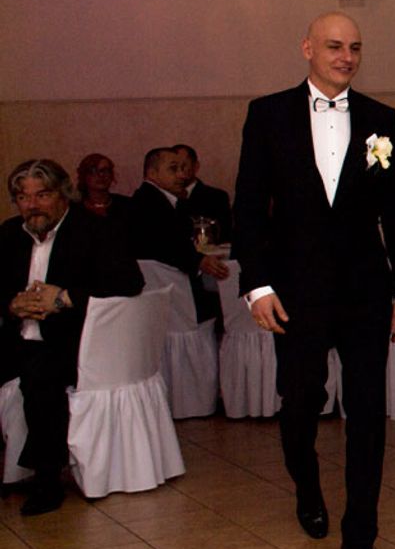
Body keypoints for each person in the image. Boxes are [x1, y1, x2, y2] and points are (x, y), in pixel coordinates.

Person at [233, 11, 395, 549]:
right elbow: (248, 207)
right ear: (307, 48)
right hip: (295, 292)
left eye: (355, 48)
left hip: (365, 291)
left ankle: (360, 537)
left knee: (368, 413)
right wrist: (257, 285)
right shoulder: (267, 115)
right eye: (335, 46)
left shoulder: (380, 119)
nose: (346, 57)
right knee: (299, 403)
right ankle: (307, 488)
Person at [0, 159, 143, 515]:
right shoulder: (9, 234)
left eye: (42, 195)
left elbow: (130, 281)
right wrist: (12, 304)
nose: (32, 205)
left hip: (73, 341)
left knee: (39, 378)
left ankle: (46, 479)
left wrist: (64, 298)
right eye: (23, 197)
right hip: (17, 336)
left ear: (63, 194)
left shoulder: (95, 230)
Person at [129, 146, 228, 322]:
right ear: (152, 173)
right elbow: (165, 243)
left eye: (182, 168)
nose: (182, 175)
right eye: (173, 169)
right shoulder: (149, 203)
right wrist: (199, 261)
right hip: (171, 294)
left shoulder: (160, 200)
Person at [176, 144, 233, 243]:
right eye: (174, 167)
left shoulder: (216, 197)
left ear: (196, 166)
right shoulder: (162, 197)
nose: (179, 171)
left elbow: (224, 235)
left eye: (183, 165)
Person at [75, 154, 132, 226]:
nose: (101, 175)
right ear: (84, 176)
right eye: (94, 171)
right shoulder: (73, 209)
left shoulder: (127, 206)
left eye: (105, 170)